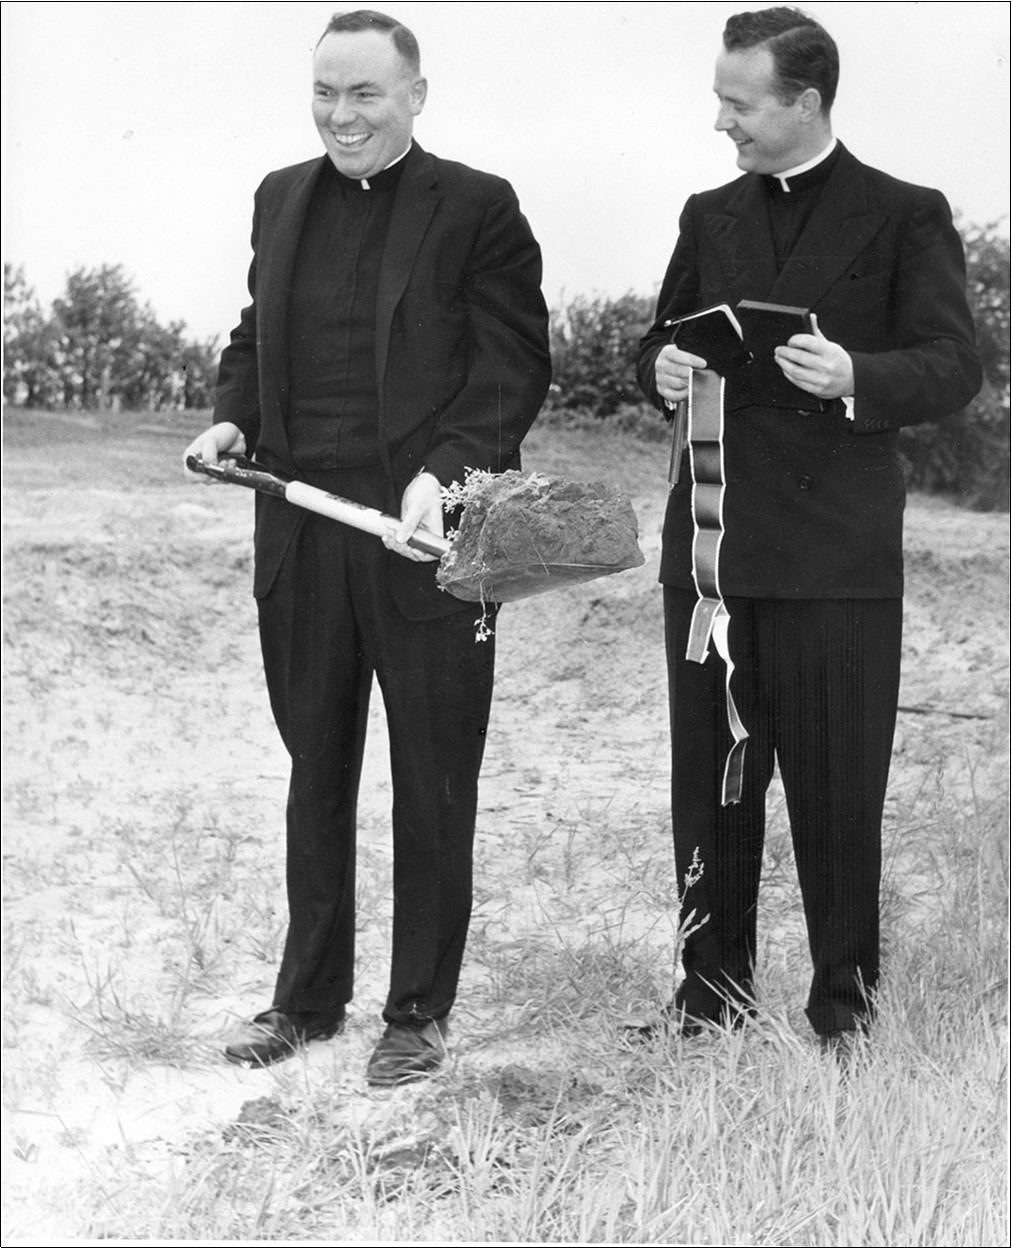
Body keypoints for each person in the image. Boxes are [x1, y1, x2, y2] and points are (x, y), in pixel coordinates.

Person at [184, 9, 550, 1084]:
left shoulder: (479, 207)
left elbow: (510, 369)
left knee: (434, 774)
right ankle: (307, 1000)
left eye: (365, 95)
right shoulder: (279, 196)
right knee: (316, 770)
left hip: (424, 540)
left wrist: (440, 473)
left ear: (415, 96)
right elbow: (255, 333)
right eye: (326, 94)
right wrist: (231, 416)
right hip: (300, 531)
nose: (341, 115)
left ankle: (418, 1013)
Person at [637, 7, 981, 1049]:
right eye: (719, 102)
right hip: (713, 557)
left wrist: (853, 378)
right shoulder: (707, 212)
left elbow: (953, 365)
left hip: (837, 566)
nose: (720, 124)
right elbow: (661, 335)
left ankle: (844, 1014)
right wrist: (655, 367)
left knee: (837, 803)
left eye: (738, 105)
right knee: (711, 793)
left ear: (805, 101)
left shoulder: (905, 213)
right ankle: (710, 999)